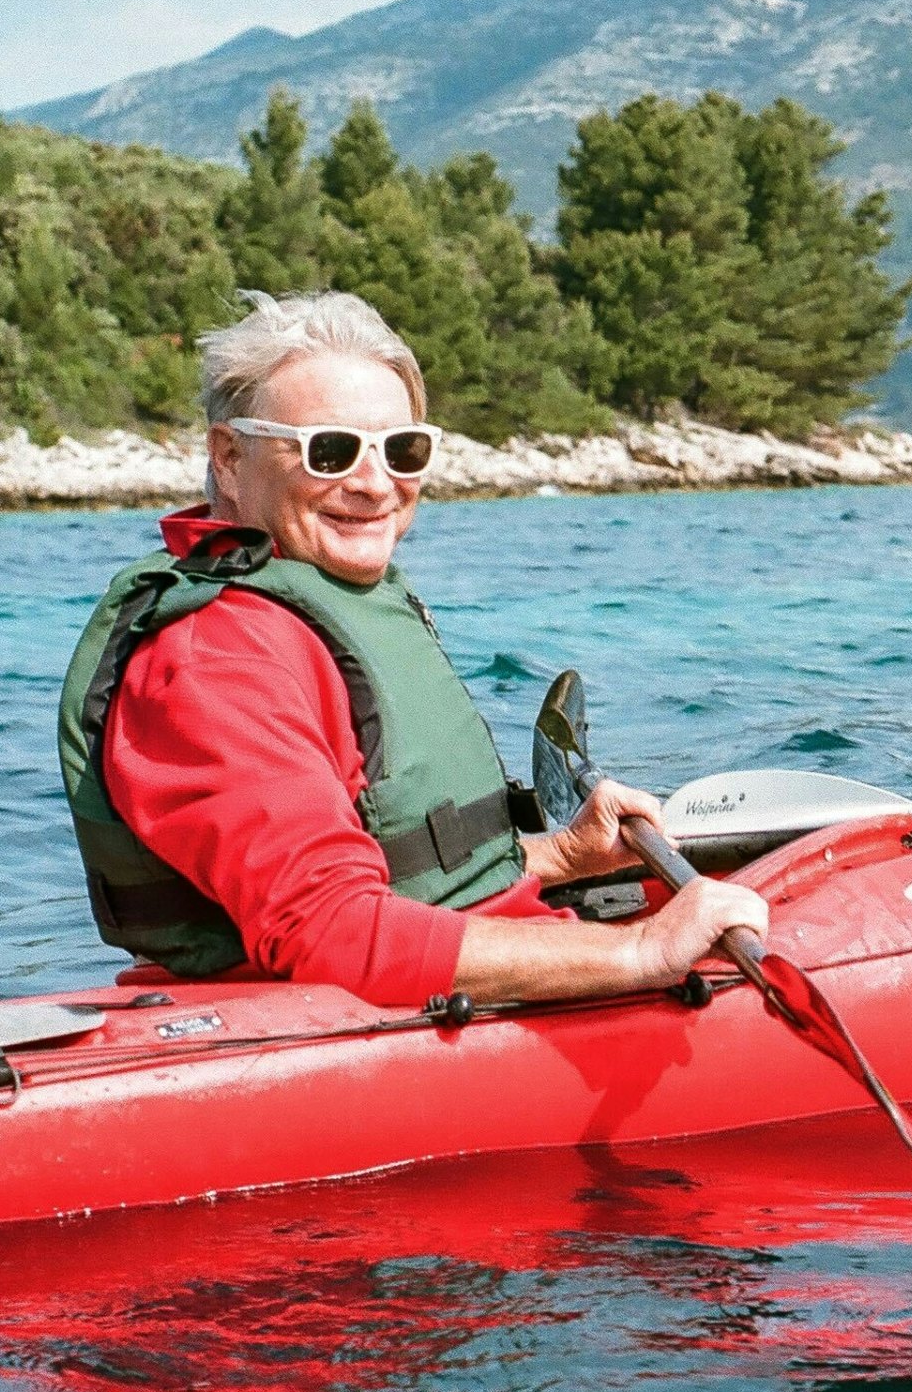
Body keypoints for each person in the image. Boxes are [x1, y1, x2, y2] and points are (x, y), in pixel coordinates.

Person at [58, 290, 766, 1009]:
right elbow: (328, 931)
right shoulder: (216, 661)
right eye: (328, 452)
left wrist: (558, 856)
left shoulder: (315, 600)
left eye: (402, 450)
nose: (373, 484)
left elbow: (396, 872)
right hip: (342, 1041)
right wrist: (642, 950)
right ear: (229, 457)